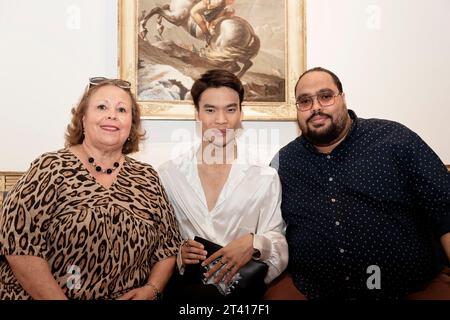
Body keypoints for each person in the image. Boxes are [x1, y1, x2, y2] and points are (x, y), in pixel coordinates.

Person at [271, 67, 450, 300]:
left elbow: (445, 209)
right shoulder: (285, 161)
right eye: (305, 101)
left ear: (343, 99)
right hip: (315, 292)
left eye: (325, 96)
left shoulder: (395, 139)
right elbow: (269, 227)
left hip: (409, 289)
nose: (316, 107)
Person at [0, 77, 182, 300]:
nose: (112, 115)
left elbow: (168, 247)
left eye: (122, 109)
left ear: (131, 124)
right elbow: (17, 243)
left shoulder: (147, 177)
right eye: (102, 107)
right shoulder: (50, 167)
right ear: (83, 118)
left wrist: (151, 289)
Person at [158, 69, 288, 300]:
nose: (221, 120)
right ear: (197, 113)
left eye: (230, 109)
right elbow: (160, 242)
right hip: (187, 295)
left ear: (240, 113)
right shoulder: (170, 174)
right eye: (210, 110)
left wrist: (254, 243)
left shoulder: (264, 175)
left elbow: (278, 243)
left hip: (243, 296)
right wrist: (180, 255)